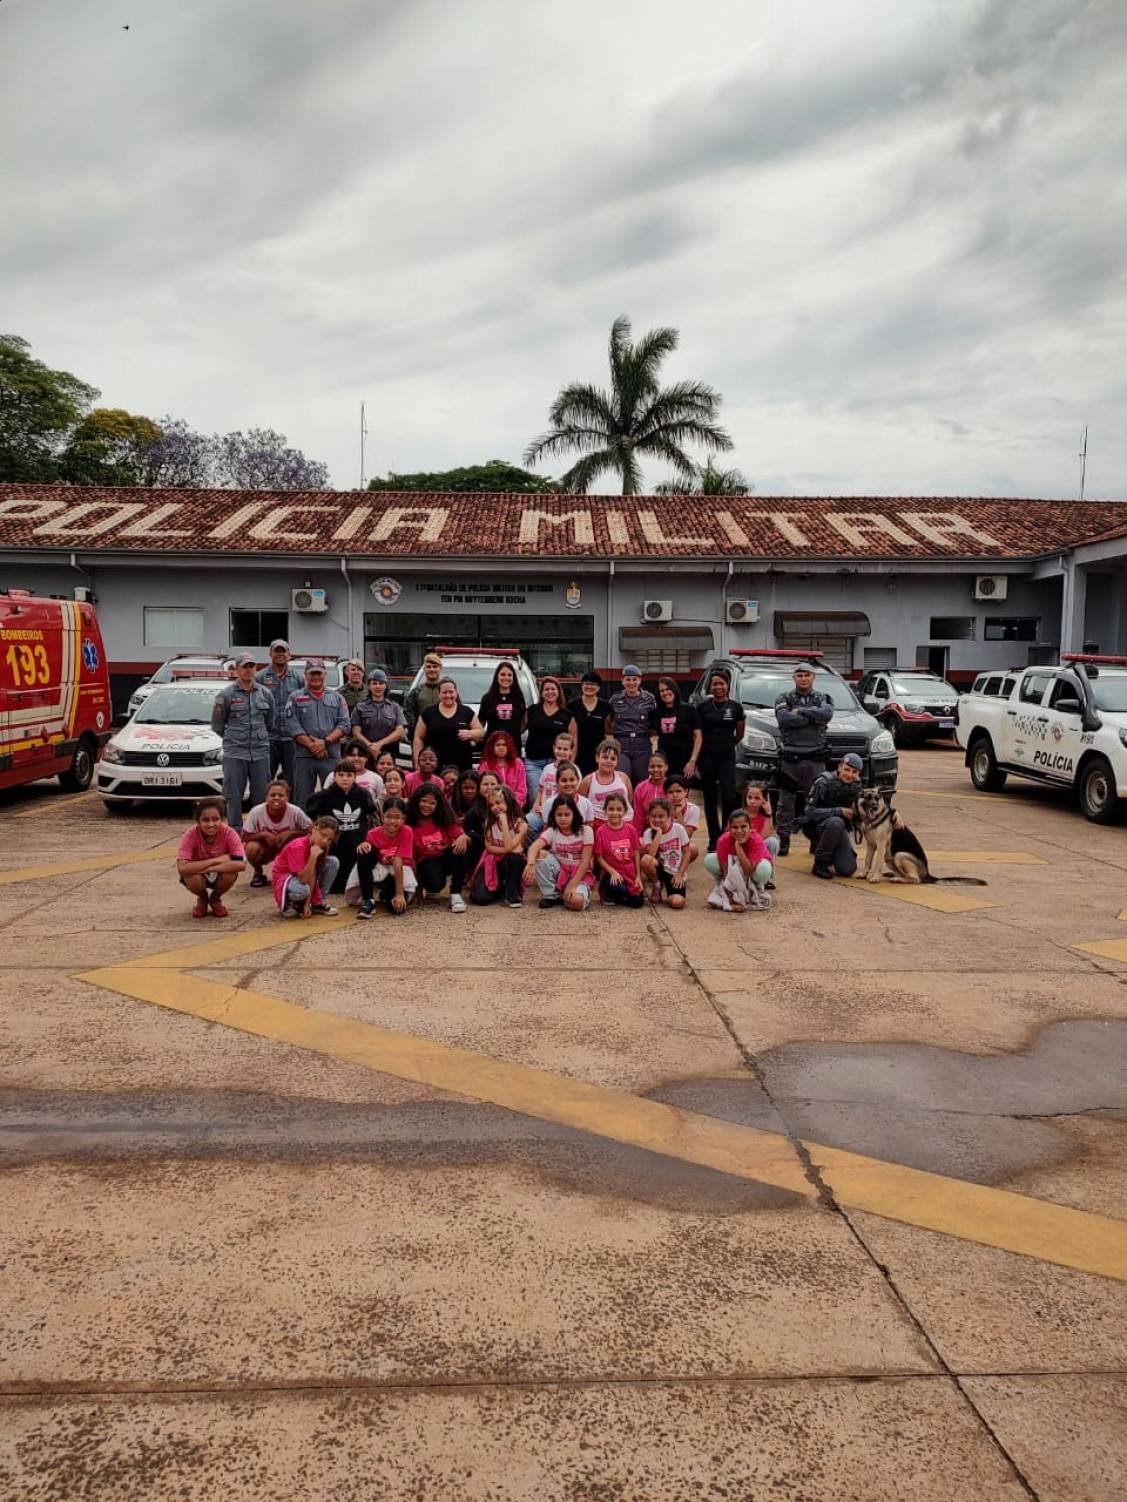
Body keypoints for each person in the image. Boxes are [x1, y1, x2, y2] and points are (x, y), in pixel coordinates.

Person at [210, 651, 275, 834]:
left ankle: (259, 831)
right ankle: (235, 833)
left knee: (261, 796)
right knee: (234, 796)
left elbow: (270, 722)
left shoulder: (266, 694)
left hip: (260, 752)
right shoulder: (226, 695)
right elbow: (217, 725)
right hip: (235, 753)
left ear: (256, 669)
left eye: (251, 666)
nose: (248, 670)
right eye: (244, 667)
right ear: (236, 669)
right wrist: (234, 739)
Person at [775, 661, 834, 857]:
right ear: (794, 678)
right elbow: (784, 719)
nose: (803, 678)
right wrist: (811, 717)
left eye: (807, 675)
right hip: (790, 760)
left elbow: (826, 714)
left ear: (813, 677)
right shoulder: (784, 697)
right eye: (799, 675)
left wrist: (800, 712)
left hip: (815, 760)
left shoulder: (824, 698)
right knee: (785, 803)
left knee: (816, 801)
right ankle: (783, 840)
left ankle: (815, 840)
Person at [305, 760, 378, 893]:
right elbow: (310, 812)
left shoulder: (363, 794)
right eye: (341, 775)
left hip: (356, 845)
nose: (345, 778)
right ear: (334, 776)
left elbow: (371, 813)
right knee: (335, 885)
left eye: (349, 775)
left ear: (355, 777)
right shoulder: (325, 795)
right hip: (334, 846)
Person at [284, 662, 351, 805]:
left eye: (318, 673)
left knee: (333, 796)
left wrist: (325, 743)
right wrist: (312, 746)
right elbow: (292, 725)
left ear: (325, 674)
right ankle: (303, 827)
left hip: (330, 755)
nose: (316, 677)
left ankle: (331, 827)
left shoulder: (337, 698)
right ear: (305, 675)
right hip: (304, 756)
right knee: (302, 798)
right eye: (312, 673)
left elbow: (344, 724)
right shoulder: (294, 698)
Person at [695, 670, 746, 853]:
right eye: (715, 684)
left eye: (722, 683)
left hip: (726, 757)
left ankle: (727, 836)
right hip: (707, 757)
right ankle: (713, 839)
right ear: (710, 686)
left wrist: (728, 744)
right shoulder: (703, 707)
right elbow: (698, 733)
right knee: (709, 798)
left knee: (728, 797)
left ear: (728, 686)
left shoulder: (736, 707)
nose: (718, 687)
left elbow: (739, 733)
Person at [175, 797, 245, 918]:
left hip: (210, 870)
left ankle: (215, 898)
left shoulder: (229, 833)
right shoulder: (190, 835)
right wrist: (216, 860)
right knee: (192, 878)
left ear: (222, 819)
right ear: (198, 821)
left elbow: (241, 865)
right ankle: (202, 898)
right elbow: (182, 868)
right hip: (200, 873)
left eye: (215, 819)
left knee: (230, 873)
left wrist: (209, 869)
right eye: (205, 820)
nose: (211, 824)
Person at [523, 794, 594, 910]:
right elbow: (534, 847)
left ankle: (567, 895)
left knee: (576, 902)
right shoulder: (552, 831)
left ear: (574, 814)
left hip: (580, 875)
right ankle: (551, 894)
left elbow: (585, 863)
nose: (563, 818)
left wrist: (572, 886)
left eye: (567, 814)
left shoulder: (586, 831)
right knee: (539, 853)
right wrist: (530, 863)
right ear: (554, 815)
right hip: (560, 871)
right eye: (559, 815)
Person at [802, 752, 865, 880]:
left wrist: (893, 813)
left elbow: (871, 807)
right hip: (815, 827)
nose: (850, 775)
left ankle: (829, 851)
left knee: (847, 869)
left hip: (838, 829)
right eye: (847, 769)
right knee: (836, 822)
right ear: (839, 767)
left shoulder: (857, 788)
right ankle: (820, 863)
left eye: (854, 772)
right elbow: (809, 812)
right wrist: (839, 811)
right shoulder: (823, 782)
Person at [406, 784, 469, 911]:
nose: (427, 806)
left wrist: (464, 837)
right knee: (435, 884)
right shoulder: (409, 823)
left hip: (445, 857)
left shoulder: (443, 818)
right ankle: (429, 887)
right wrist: (416, 889)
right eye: (423, 801)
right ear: (417, 800)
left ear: (438, 806)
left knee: (461, 848)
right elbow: (411, 858)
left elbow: (462, 836)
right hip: (425, 861)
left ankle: (455, 894)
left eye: (432, 803)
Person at [241, 779, 312, 887]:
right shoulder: (257, 811)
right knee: (251, 848)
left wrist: (290, 833)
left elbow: (311, 830)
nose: (276, 798)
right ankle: (258, 873)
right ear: (266, 797)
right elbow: (244, 836)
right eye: (272, 795)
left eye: (281, 795)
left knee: (305, 844)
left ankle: (292, 873)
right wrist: (264, 834)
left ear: (287, 798)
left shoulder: (295, 811)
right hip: (266, 848)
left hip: (288, 848)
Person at [354, 797, 416, 917]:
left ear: (403, 819)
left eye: (397, 817)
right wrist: (365, 844)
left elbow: (398, 861)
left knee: (397, 909)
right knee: (363, 851)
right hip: (380, 871)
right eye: (388, 816)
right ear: (382, 816)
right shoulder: (372, 833)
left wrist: (399, 894)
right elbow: (367, 861)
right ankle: (368, 900)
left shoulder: (407, 831)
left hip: (398, 873)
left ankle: (387, 893)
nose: (392, 821)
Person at [272, 815, 340, 919]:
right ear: (314, 829)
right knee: (302, 889)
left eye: (329, 839)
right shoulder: (298, 847)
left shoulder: (320, 846)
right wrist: (312, 856)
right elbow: (304, 879)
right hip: (286, 878)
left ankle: (317, 902)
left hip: (304, 876)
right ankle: (289, 903)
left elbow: (313, 875)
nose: (325, 841)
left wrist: (307, 905)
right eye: (323, 835)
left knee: (332, 862)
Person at [470, 786, 527, 908]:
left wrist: (505, 823)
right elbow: (489, 847)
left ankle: (511, 892)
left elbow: (513, 846)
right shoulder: (488, 823)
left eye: (498, 803)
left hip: (510, 863)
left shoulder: (520, 825)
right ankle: (499, 889)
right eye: (491, 805)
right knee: (478, 898)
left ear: (509, 801)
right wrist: (507, 850)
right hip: (492, 862)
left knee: (516, 858)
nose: (494, 807)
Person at [256, 639, 303, 786]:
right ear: (270, 653)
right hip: (268, 739)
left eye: (283, 651)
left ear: (289, 654)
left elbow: (304, 707)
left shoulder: (298, 678)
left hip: (292, 739)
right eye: (277, 651)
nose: (280, 654)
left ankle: (292, 808)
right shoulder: (260, 677)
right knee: (264, 780)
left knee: (293, 781)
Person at [707, 810, 772, 912]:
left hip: (754, 870)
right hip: (735, 870)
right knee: (709, 859)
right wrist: (731, 894)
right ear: (729, 828)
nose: (739, 831)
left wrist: (739, 848)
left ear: (750, 827)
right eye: (735, 827)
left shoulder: (756, 839)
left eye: (743, 826)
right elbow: (726, 871)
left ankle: (759, 887)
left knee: (763, 868)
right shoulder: (723, 840)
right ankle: (720, 884)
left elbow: (748, 871)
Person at [414, 677, 482, 772]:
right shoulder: (428, 713)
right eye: (444, 692)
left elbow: (480, 732)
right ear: (439, 694)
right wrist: (417, 762)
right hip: (434, 767)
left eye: (451, 692)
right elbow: (418, 738)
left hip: (462, 766)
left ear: (456, 693)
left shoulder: (466, 712)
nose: (448, 695)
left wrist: (470, 733)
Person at [524, 676, 571, 803]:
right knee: (535, 796)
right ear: (541, 693)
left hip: (557, 763)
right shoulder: (532, 710)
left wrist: (570, 761)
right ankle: (537, 821)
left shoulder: (566, 714)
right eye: (546, 689)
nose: (550, 692)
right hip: (534, 762)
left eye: (553, 689)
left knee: (557, 797)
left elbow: (574, 739)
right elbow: (519, 730)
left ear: (558, 691)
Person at [593, 792, 645, 907]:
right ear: (605, 811)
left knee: (638, 903)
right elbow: (599, 857)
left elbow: (636, 853)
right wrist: (612, 871)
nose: (615, 812)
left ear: (625, 811)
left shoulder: (631, 829)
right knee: (617, 886)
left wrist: (638, 877)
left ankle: (622, 896)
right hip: (612, 873)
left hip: (629, 872)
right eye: (611, 809)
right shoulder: (601, 831)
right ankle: (608, 893)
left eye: (618, 809)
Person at [608, 665, 657, 784]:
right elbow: (608, 721)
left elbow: (655, 722)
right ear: (622, 681)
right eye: (628, 679)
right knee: (622, 780)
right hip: (621, 744)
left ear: (640, 680)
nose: (631, 683)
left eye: (634, 679)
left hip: (642, 744)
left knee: (642, 781)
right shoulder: (615, 699)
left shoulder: (649, 699)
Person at [640, 797, 691, 909]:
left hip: (674, 872)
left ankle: (671, 891)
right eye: (654, 816)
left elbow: (687, 852)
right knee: (645, 859)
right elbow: (651, 855)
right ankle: (657, 885)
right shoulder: (648, 833)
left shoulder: (678, 829)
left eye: (661, 816)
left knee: (677, 903)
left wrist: (680, 874)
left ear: (669, 816)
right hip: (659, 869)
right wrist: (658, 832)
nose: (657, 820)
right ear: (649, 817)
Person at [649, 677, 702, 780]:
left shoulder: (689, 710)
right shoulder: (656, 712)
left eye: (668, 689)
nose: (665, 693)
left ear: (675, 690)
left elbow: (698, 736)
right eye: (662, 691)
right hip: (664, 762)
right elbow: (652, 736)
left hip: (684, 761)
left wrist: (692, 761)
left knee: (680, 793)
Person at [526, 732, 578, 834]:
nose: (561, 752)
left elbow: (575, 796)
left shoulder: (575, 771)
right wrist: (536, 805)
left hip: (560, 815)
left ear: (571, 751)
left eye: (565, 749)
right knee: (525, 823)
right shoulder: (547, 768)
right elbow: (541, 790)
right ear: (554, 747)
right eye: (559, 748)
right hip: (541, 812)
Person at [351, 668, 406, 763]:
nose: (378, 686)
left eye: (381, 683)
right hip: (366, 754)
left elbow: (400, 731)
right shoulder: (360, 707)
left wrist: (379, 744)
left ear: (386, 686)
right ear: (369, 686)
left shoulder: (395, 707)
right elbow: (356, 733)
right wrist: (370, 746)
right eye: (374, 683)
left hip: (389, 754)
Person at [579, 738, 633, 830]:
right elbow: (580, 805)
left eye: (613, 758)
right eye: (605, 757)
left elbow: (629, 800)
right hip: (598, 825)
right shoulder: (588, 780)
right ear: (597, 758)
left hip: (625, 823)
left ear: (617, 762)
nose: (609, 761)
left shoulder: (623, 777)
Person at [567, 672, 613, 775]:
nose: (589, 687)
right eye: (586, 684)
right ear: (581, 685)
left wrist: (608, 754)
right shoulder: (572, 706)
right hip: (579, 753)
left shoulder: (606, 707)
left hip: (599, 753)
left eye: (593, 684)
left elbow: (609, 733)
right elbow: (571, 734)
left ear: (598, 687)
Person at [461, 770, 500, 876]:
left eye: (493, 784)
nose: (489, 787)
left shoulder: (508, 808)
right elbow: (469, 835)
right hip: (480, 853)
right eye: (485, 784)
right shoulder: (472, 813)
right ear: (479, 788)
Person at [537, 762, 596, 830]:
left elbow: (589, 830)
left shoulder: (587, 804)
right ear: (557, 782)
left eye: (572, 780)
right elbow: (548, 831)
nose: (568, 783)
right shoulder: (548, 804)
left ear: (578, 780)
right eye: (564, 780)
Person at [478, 661, 527, 741]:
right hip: (492, 745)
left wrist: (513, 734)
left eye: (509, 675)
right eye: (503, 674)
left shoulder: (518, 698)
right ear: (497, 676)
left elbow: (524, 722)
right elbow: (481, 723)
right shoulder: (487, 698)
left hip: (513, 745)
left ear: (513, 677)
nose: (506, 678)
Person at [478, 729, 528, 809]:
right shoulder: (485, 766)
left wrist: (512, 806)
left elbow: (522, 790)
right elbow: (483, 791)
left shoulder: (518, 763)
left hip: (514, 806)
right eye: (498, 745)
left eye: (504, 745)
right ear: (492, 747)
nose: (501, 747)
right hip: (492, 807)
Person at [404, 651, 443, 736]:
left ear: (440, 668)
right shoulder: (415, 692)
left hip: (445, 737)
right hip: (422, 737)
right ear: (424, 669)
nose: (432, 669)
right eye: (428, 667)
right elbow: (409, 717)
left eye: (435, 666)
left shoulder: (448, 691)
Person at [631, 750, 669, 834]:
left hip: (669, 831)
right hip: (647, 832)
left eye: (659, 766)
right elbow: (638, 816)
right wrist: (638, 837)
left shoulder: (670, 786)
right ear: (648, 768)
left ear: (666, 767)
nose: (655, 769)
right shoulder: (640, 788)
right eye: (652, 766)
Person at [664, 776, 702, 858]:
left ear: (686, 792)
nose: (674, 795)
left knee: (692, 849)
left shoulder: (693, 809)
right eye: (670, 792)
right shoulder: (661, 808)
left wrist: (678, 815)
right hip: (663, 842)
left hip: (681, 842)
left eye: (678, 791)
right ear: (665, 794)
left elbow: (687, 836)